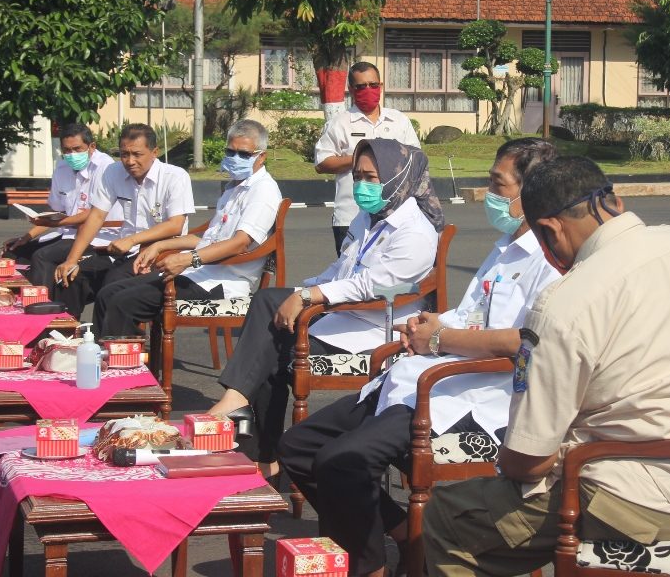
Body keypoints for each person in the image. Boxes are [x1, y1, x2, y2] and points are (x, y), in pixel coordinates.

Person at [422, 156, 670, 577]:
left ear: (549, 229)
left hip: (637, 506)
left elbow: (528, 459)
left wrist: (512, 463)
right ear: (615, 201)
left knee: (449, 520)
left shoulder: (565, 302)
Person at [278, 139, 561, 577]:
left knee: (344, 461)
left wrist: (440, 337)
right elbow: (472, 313)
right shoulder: (506, 247)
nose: (487, 191)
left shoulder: (549, 262)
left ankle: (368, 565)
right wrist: (430, 324)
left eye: (497, 183)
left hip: (469, 393)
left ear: (534, 192)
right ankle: (405, 531)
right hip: (423, 375)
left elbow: (519, 342)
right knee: (299, 446)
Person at [210, 139, 444, 476]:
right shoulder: (370, 217)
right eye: (358, 176)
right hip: (340, 314)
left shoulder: (415, 232)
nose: (362, 185)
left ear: (397, 177)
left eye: (371, 177)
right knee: (267, 305)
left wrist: (308, 297)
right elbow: (341, 269)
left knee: (270, 350)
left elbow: (372, 286)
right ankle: (249, 424)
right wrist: (305, 290)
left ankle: (260, 447)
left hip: (371, 328)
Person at [92, 120, 283, 336]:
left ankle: (125, 365)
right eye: (230, 152)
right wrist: (159, 245)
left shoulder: (263, 191)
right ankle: (110, 358)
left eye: (244, 154)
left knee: (122, 302)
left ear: (262, 156)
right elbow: (208, 238)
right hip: (198, 272)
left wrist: (186, 258)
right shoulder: (235, 188)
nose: (235, 158)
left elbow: (240, 244)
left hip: (222, 283)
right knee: (108, 293)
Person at [52, 123, 195, 319]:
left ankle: (112, 346)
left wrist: (133, 240)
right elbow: (96, 216)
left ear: (155, 152)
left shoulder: (175, 176)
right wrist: (71, 260)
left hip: (160, 253)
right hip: (122, 252)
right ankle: (67, 339)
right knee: (70, 277)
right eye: (124, 154)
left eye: (137, 154)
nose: (129, 161)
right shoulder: (113, 171)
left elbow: (175, 224)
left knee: (112, 286)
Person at [314, 61, 420, 255]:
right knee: (349, 277)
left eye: (373, 85)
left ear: (381, 86)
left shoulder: (399, 120)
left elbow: (417, 159)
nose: (368, 90)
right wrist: (360, 157)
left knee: (388, 280)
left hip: (394, 216)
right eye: (361, 86)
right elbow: (321, 163)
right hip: (350, 217)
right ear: (351, 90)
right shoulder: (339, 123)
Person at [2, 123, 121, 285]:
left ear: (92, 147)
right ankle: (18, 299)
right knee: (13, 252)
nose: (71, 155)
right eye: (66, 150)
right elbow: (54, 211)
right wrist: (26, 237)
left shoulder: (105, 167)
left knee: (42, 257)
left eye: (77, 149)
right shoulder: (62, 167)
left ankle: (42, 303)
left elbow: (95, 214)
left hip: (97, 236)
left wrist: (57, 223)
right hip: (65, 232)